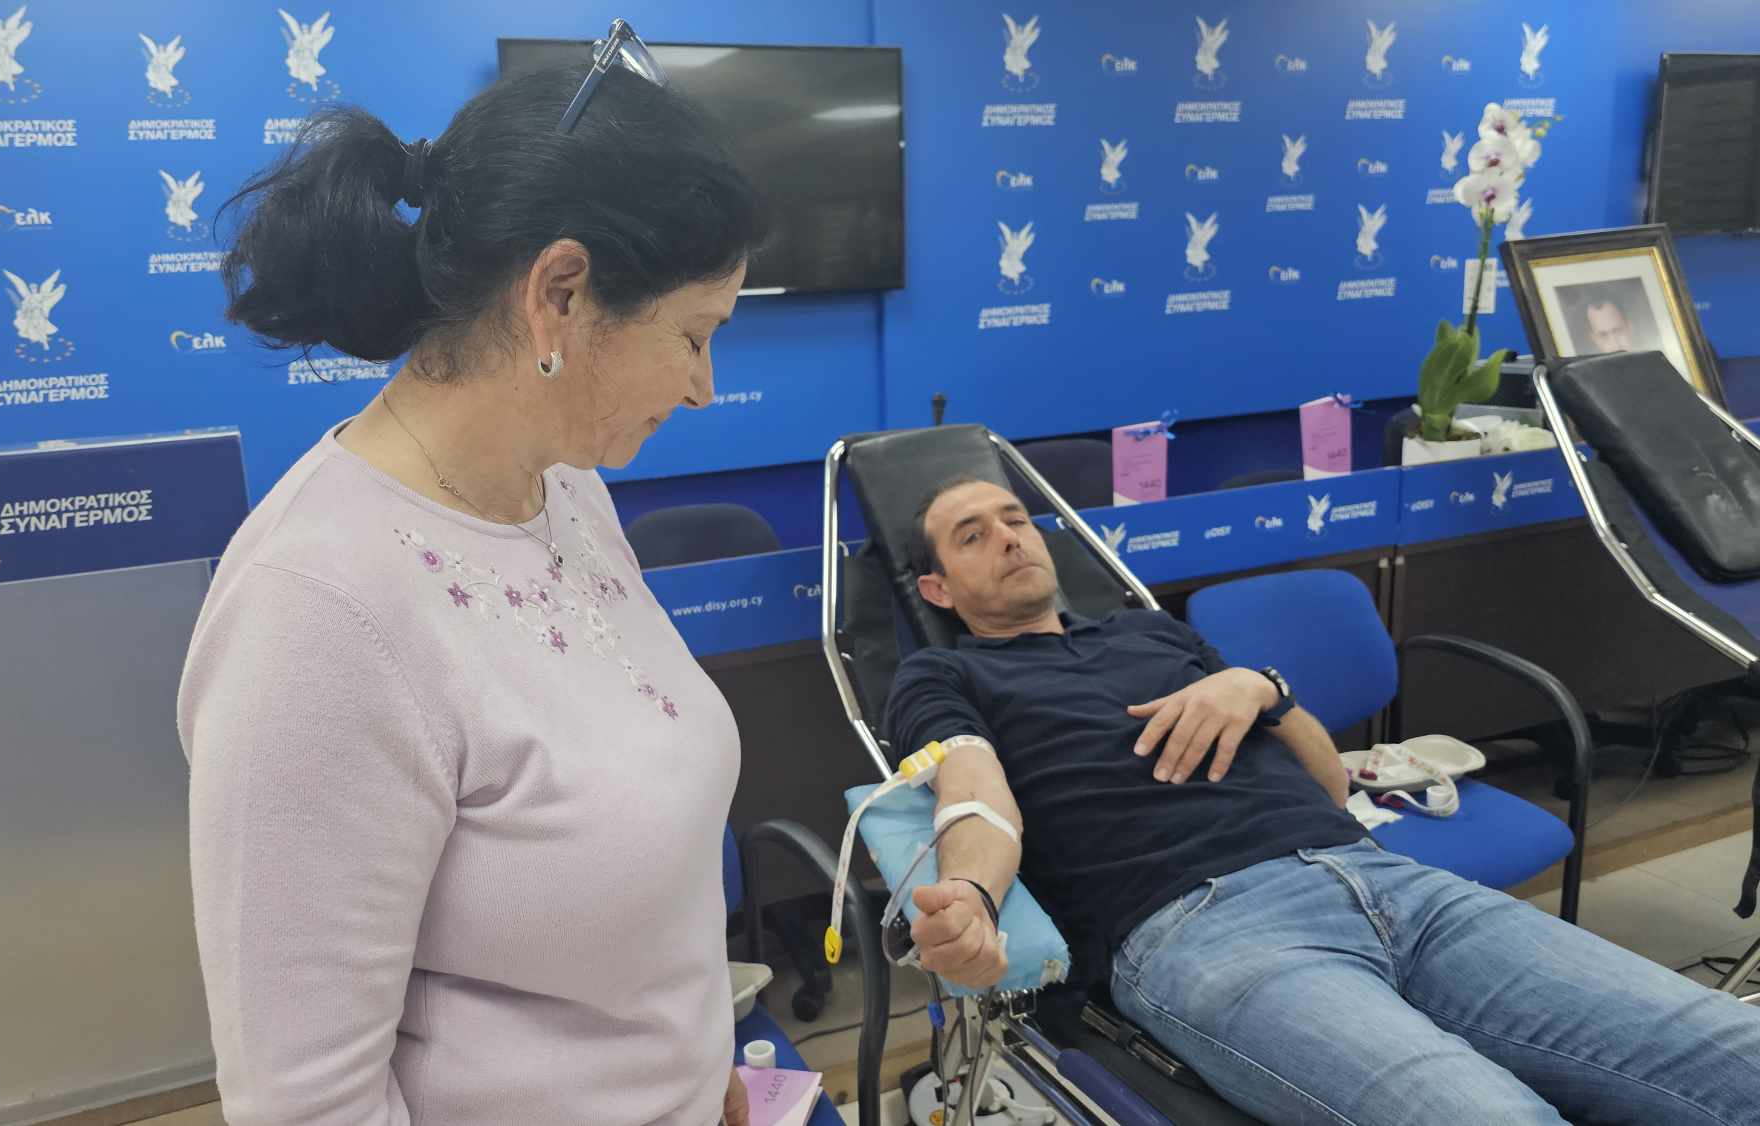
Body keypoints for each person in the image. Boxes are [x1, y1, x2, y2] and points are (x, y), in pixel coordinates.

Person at [178, 28, 769, 1125]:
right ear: (560, 293)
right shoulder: (318, 611)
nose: (703, 385)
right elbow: (305, 1104)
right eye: (695, 334)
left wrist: (694, 1062)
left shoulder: (566, 489)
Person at [883, 475, 1760, 1125]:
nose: (1009, 538)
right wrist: (972, 896)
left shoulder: (1151, 632)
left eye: (1016, 518)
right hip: (1205, 929)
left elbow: (1330, 784)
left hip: (1389, 882)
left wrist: (1263, 687)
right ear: (937, 590)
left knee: (1733, 1057)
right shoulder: (943, 673)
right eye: (972, 535)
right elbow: (973, 792)